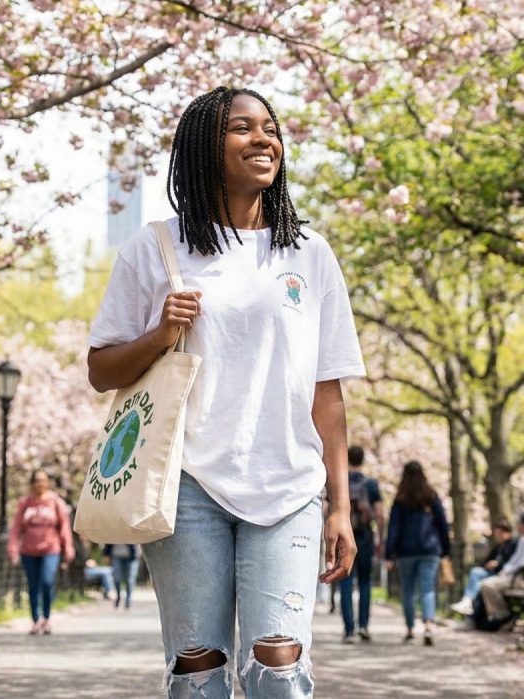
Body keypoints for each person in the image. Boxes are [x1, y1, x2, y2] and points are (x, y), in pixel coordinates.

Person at [86, 86, 365, 698]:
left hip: (288, 486)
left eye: (270, 128)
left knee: (278, 665)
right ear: (204, 148)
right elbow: (102, 369)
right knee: (198, 671)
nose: (263, 139)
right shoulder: (154, 247)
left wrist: (341, 507)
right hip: (186, 487)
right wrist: (161, 333)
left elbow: (328, 392)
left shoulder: (309, 254)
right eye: (242, 128)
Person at [384, 461, 451, 646]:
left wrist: (389, 553)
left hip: (406, 551)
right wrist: (446, 549)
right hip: (430, 549)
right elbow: (443, 524)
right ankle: (429, 625)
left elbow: (394, 528)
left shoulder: (400, 499)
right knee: (428, 588)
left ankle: (410, 629)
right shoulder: (431, 496)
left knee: (408, 591)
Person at [8, 469, 75, 636]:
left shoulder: (55, 502)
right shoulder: (25, 503)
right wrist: (13, 548)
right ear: (32, 483)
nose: (40, 483)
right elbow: (16, 528)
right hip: (29, 550)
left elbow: (64, 526)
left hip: (50, 549)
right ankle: (35, 619)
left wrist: (68, 547)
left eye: (43, 480)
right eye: (37, 480)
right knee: (32, 585)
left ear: (47, 483)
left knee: (46, 582)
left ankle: (46, 617)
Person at [339, 446, 383, 643]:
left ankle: (349, 629)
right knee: (365, 582)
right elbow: (380, 514)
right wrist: (380, 538)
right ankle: (363, 626)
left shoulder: (340, 481)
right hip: (364, 537)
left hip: (343, 535)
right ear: (363, 460)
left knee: (346, 582)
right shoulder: (371, 484)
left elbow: (327, 509)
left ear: (347, 459)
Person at [475, 511, 524, 630]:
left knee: (487, 585)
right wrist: (506, 570)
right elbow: (515, 560)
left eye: (518, 523)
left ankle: (502, 615)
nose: (517, 526)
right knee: (485, 582)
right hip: (517, 576)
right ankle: (494, 616)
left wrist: (507, 571)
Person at [452, 521, 516, 616]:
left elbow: (513, 563)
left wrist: (498, 564)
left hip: (503, 575)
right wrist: (487, 565)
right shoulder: (498, 547)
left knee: (480, 585)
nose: (498, 536)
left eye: (500, 533)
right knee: (475, 573)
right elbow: (486, 561)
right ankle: (467, 601)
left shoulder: (513, 545)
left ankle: (473, 611)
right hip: (491, 573)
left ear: (508, 533)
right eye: (496, 533)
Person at [105, 543, 140, 610]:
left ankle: (128, 600)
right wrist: (106, 553)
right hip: (116, 554)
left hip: (131, 555)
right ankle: (118, 596)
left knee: (130, 579)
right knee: (116, 578)